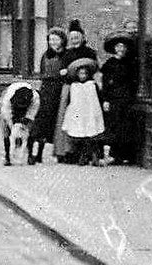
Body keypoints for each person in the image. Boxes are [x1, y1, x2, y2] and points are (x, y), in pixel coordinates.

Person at [53, 19, 96, 162]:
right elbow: (61, 69)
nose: (74, 40)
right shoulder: (67, 53)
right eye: (72, 38)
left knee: (87, 118)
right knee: (66, 119)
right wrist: (63, 72)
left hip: (86, 90)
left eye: (77, 37)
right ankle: (66, 151)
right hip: (70, 88)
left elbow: (94, 69)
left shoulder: (90, 52)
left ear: (83, 37)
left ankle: (88, 152)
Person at [100, 31, 139, 165]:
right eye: (118, 47)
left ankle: (127, 155)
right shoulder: (109, 65)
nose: (120, 49)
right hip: (114, 99)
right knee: (114, 125)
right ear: (114, 49)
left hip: (127, 98)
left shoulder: (130, 64)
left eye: (123, 47)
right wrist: (105, 99)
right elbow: (105, 84)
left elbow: (134, 81)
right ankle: (115, 155)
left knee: (126, 126)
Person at [28, 28, 67, 164]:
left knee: (57, 122)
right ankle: (37, 153)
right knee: (41, 122)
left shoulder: (66, 55)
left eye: (56, 39)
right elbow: (42, 72)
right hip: (46, 90)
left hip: (60, 89)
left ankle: (61, 152)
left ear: (62, 40)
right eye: (51, 39)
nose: (53, 42)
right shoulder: (45, 55)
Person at [61, 58, 105, 166]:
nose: (83, 76)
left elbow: (97, 99)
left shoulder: (92, 85)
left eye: (85, 73)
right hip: (79, 113)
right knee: (79, 135)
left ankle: (94, 156)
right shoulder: (74, 86)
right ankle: (82, 156)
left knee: (92, 134)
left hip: (90, 112)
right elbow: (72, 101)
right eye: (80, 74)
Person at [0, 80, 40, 166]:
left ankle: (29, 154)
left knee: (31, 131)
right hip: (10, 109)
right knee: (6, 131)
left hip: (27, 108)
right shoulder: (8, 97)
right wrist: (13, 128)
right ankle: (7, 156)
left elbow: (32, 113)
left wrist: (26, 125)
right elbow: (7, 115)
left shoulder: (35, 97)